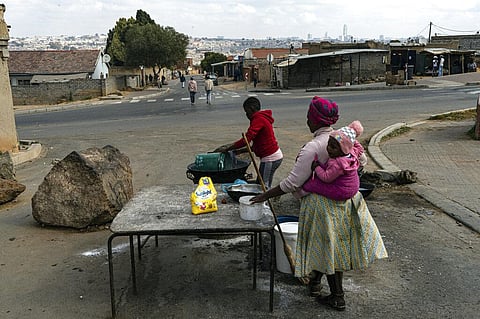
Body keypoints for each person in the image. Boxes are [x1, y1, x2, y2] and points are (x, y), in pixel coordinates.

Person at [250, 96, 388, 311]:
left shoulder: (313, 147)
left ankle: (337, 296)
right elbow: (361, 162)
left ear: (315, 120)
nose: (306, 121)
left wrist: (266, 195)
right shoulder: (346, 139)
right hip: (347, 202)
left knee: (328, 250)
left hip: (323, 205)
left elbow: (293, 182)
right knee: (332, 247)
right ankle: (314, 282)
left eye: (308, 117)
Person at [214, 97, 283, 188]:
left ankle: (267, 200)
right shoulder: (260, 118)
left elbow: (246, 140)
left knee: (263, 186)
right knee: (261, 182)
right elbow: (256, 146)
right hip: (271, 156)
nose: (246, 115)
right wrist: (239, 151)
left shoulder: (258, 119)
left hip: (271, 158)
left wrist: (228, 148)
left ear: (252, 109)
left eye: (246, 112)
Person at [300, 120, 366, 200]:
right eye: (329, 144)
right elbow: (360, 148)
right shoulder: (352, 152)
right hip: (354, 187)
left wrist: (316, 167)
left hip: (343, 191)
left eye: (333, 147)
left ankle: (301, 193)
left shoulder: (338, 163)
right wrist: (349, 138)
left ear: (343, 149)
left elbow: (326, 177)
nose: (329, 149)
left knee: (313, 184)